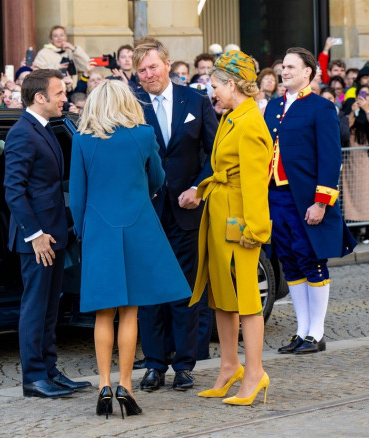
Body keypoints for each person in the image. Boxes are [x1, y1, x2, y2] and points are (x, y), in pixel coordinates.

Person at [69, 80, 192, 418]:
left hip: (98, 231)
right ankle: (126, 386)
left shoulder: (82, 140)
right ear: (127, 102)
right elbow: (157, 178)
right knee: (131, 312)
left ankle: (104, 386)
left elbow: (77, 195)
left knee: (103, 313)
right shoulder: (142, 134)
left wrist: (83, 233)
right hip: (137, 227)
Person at [133, 36, 218, 392]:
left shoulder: (196, 101)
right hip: (147, 214)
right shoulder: (132, 105)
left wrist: (199, 188)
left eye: (153, 66)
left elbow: (215, 153)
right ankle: (154, 363)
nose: (149, 74)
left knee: (185, 291)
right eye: (142, 71)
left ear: (167, 64)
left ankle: (185, 364)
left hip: (187, 212)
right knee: (151, 294)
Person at [188, 50, 272, 406]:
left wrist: (255, 229)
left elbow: (256, 183)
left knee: (247, 298)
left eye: (216, 86)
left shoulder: (250, 121)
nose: (212, 93)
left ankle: (254, 373)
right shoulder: (231, 116)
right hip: (222, 210)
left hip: (239, 217)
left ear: (233, 84)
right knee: (222, 296)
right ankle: (229, 366)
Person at [4, 69, 91, 398]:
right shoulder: (22, 133)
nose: (64, 98)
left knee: (50, 308)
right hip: (37, 239)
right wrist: (35, 234)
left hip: (53, 235)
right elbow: (13, 190)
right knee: (35, 307)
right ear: (39, 98)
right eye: (59, 93)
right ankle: (34, 378)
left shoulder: (42, 128)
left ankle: (50, 371)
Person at [264, 47, 356, 355]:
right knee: (290, 261)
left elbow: (330, 158)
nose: (284, 71)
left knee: (311, 259)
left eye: (291, 67)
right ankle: (301, 330)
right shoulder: (273, 107)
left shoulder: (320, 107)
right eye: (283, 67)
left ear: (308, 72)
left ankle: (317, 333)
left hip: (304, 198)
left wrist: (321, 202)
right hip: (275, 196)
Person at [342, 84, 369, 243]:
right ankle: (355, 231)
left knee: (368, 197)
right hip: (351, 161)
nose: (364, 98)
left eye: (368, 95)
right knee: (351, 197)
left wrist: (367, 110)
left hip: (368, 162)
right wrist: (353, 111)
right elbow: (344, 129)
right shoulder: (351, 113)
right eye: (362, 95)